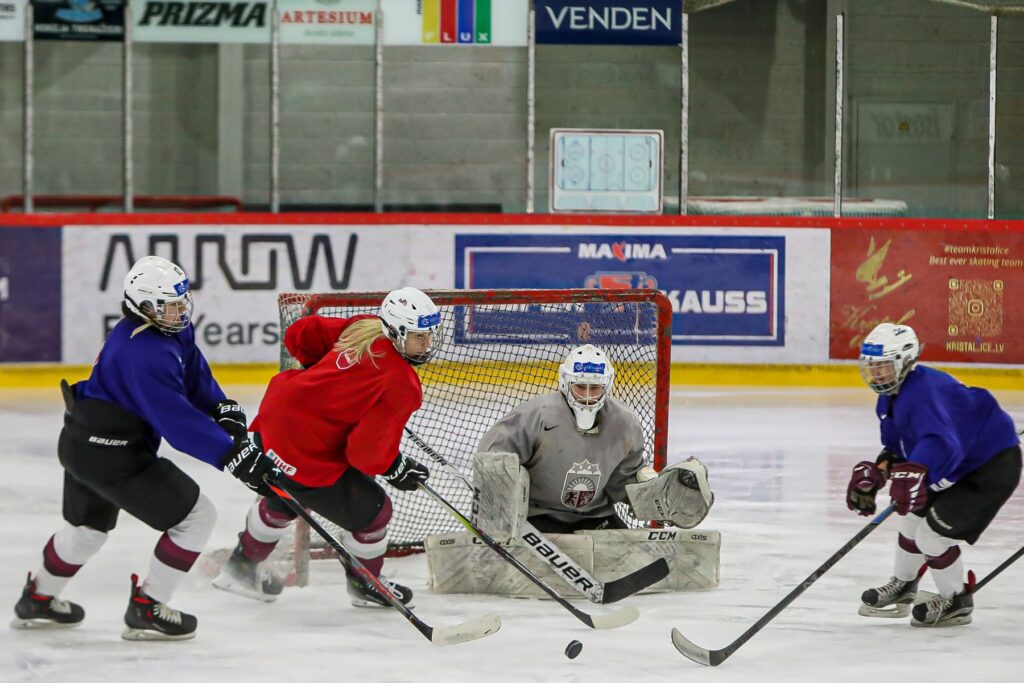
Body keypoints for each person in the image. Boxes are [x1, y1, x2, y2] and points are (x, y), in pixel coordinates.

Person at [11, 256, 279, 640]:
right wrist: (231, 454)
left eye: (182, 300)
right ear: (143, 306)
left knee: (87, 530)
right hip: (111, 453)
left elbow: (192, 371)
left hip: (83, 442)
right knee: (196, 517)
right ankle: (148, 607)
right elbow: (178, 423)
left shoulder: (166, 330)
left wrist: (220, 407)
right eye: (169, 304)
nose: (180, 310)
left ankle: (38, 597)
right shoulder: (142, 354)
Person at [213, 287, 442, 607]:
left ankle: (240, 567)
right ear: (398, 332)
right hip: (304, 447)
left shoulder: (364, 327)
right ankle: (366, 583)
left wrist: (323, 381)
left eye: (431, 334)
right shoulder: (402, 382)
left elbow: (300, 334)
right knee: (375, 511)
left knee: (287, 493)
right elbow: (364, 453)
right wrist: (395, 466)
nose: (428, 343)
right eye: (420, 336)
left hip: (276, 416)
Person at [847, 322, 1022, 627]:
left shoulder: (924, 393)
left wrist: (918, 473)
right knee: (910, 518)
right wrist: (879, 473)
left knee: (932, 535)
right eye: (872, 367)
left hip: (989, 466)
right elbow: (897, 447)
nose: (876, 375)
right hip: (960, 462)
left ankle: (956, 601)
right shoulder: (889, 397)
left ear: (905, 362)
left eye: (884, 367)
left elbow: (944, 445)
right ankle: (903, 584)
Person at [476, 344, 714, 534]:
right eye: (581, 387)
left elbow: (621, 480)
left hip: (597, 518)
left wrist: (649, 490)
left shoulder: (624, 423)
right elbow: (493, 458)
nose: (588, 396)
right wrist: (500, 504)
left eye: (595, 388)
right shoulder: (534, 417)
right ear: (565, 382)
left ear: (607, 385)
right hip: (538, 519)